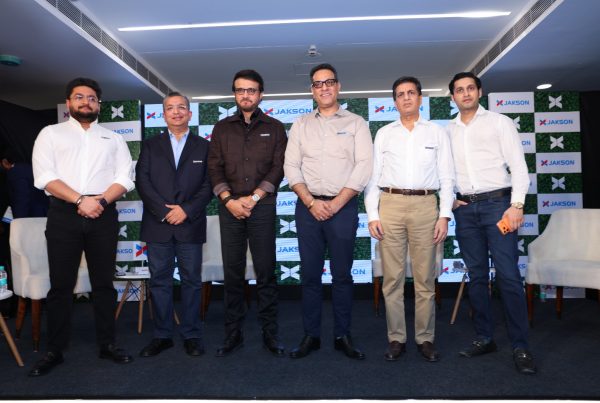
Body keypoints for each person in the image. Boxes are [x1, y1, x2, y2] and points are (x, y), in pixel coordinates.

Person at [29, 77, 135, 377]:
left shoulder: (113, 139)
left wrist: (98, 201)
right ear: (69, 102)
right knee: (61, 286)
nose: (86, 102)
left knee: (104, 284)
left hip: (103, 212)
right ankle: (55, 349)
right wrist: (79, 200)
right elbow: (44, 176)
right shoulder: (50, 134)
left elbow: (125, 177)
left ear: (99, 104)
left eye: (91, 98)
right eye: (79, 97)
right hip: (64, 214)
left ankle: (107, 344)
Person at [447, 72, 536, 374]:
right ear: (453, 97)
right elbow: (443, 173)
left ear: (479, 92)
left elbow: (519, 167)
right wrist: (450, 201)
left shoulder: (500, 122)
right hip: (465, 210)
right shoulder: (447, 131)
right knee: (476, 277)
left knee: (508, 276)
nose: (465, 93)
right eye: (460, 90)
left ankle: (521, 346)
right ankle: (484, 338)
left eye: (470, 88)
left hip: (499, 206)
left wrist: (517, 205)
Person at [284, 63, 373, 360]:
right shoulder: (300, 124)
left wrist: (336, 203)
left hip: (343, 208)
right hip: (307, 208)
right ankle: (310, 335)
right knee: (309, 275)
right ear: (312, 90)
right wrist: (311, 202)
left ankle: (342, 335)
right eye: (318, 83)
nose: (324, 88)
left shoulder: (357, 123)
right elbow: (291, 166)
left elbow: (364, 166)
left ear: (338, 86)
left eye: (329, 82)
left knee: (342, 276)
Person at [364, 76, 454, 362]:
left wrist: (444, 215)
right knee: (392, 279)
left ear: (420, 98)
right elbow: (373, 178)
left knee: (425, 278)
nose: (406, 98)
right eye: (400, 94)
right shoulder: (384, 133)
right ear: (394, 101)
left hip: (426, 206)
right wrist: (373, 215)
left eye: (411, 93)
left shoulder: (437, 132)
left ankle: (425, 338)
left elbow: (447, 177)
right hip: (390, 204)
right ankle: (396, 338)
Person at [208, 69, 287, 357]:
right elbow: (214, 167)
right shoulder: (221, 128)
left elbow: (278, 168)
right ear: (234, 94)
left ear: (260, 94)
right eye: (240, 90)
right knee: (233, 273)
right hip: (229, 208)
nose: (245, 95)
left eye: (251, 90)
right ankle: (233, 334)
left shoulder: (275, 127)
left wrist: (253, 198)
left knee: (266, 272)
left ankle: (270, 334)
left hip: (262, 207)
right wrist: (229, 200)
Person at [136, 92, 212, 358]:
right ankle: (162, 335)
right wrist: (164, 212)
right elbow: (142, 181)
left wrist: (186, 211)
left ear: (190, 113)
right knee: (160, 281)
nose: (176, 112)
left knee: (192, 281)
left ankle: (191, 334)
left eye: (181, 107)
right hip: (158, 224)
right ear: (163, 114)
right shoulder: (150, 145)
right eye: (170, 108)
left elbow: (209, 185)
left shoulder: (204, 146)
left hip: (190, 224)